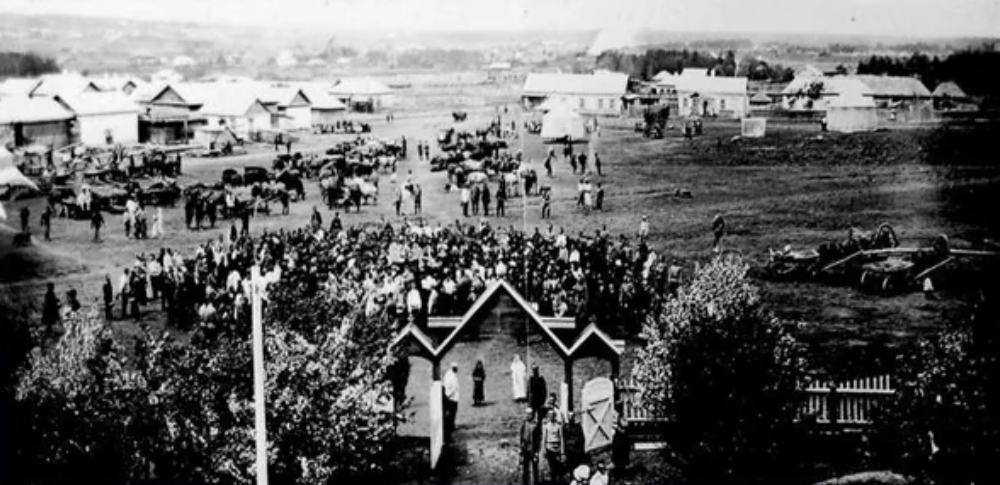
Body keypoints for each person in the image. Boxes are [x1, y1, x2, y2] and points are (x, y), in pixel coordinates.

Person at [542, 410, 565, 483]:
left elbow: (561, 438)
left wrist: (562, 451)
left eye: (552, 415)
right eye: (550, 415)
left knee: (558, 467)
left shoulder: (558, 426)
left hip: (557, 448)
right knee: (551, 467)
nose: (551, 416)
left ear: (555, 416)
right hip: (549, 448)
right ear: (548, 416)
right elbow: (544, 438)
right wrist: (544, 449)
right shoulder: (546, 426)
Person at [520, 408, 541, 485]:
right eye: (527, 414)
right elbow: (521, 437)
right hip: (525, 449)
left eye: (530, 414)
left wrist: (537, 451)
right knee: (525, 468)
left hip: (533, 450)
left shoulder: (536, 425)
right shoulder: (524, 423)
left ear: (533, 415)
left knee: (535, 468)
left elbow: (538, 439)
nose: (528, 415)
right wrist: (521, 448)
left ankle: (536, 482)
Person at [443, 362, 460, 440]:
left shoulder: (450, 374)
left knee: (452, 413)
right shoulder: (451, 376)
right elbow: (451, 387)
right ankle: (450, 426)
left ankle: (451, 425)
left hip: (452, 397)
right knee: (451, 413)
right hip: (452, 398)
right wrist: (449, 394)